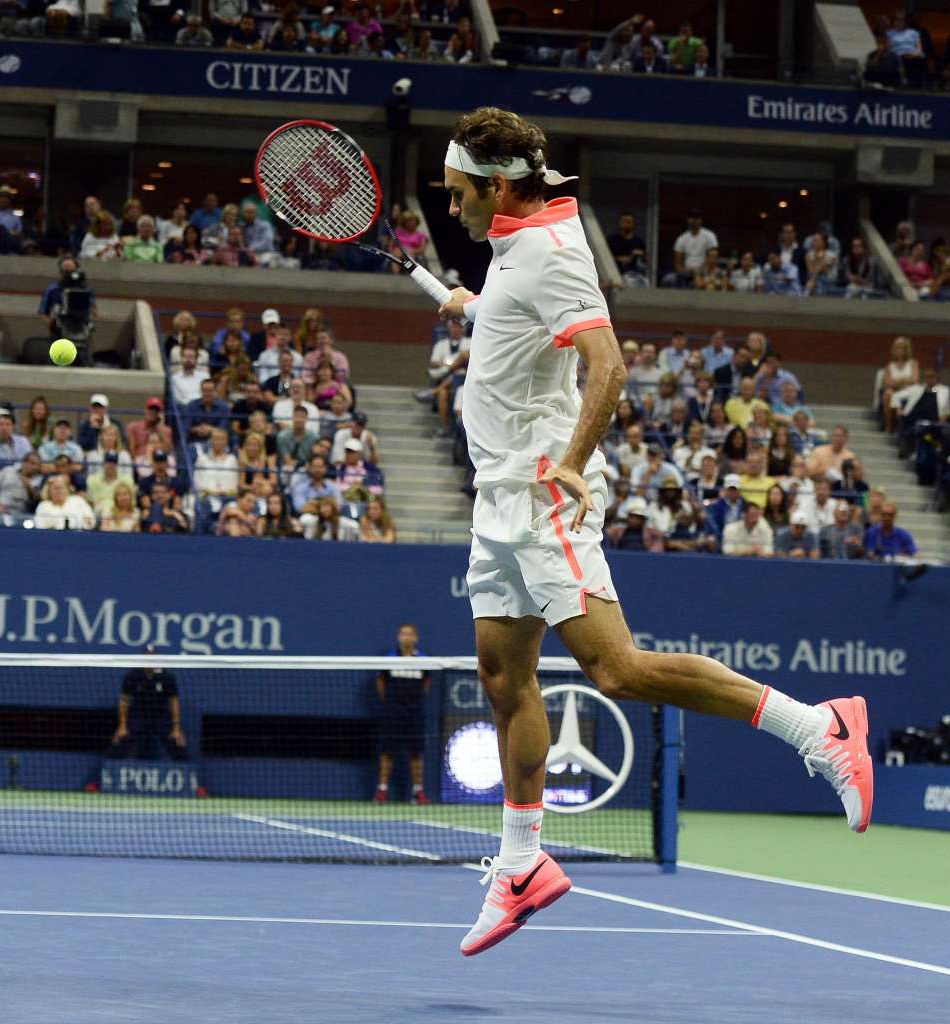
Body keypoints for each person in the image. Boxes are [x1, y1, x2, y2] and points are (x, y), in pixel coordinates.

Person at [435, 108, 872, 957]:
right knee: (503, 674)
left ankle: (820, 729)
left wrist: (573, 460)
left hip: (542, 493)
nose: (451, 209)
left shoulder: (553, 253)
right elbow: (525, 315)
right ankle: (522, 864)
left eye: (459, 194)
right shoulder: (515, 244)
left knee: (616, 669)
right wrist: (478, 307)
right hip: (497, 500)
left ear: (499, 188)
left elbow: (609, 365)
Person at [373, 623, 430, 805]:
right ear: (398, 637)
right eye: (403, 634)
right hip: (392, 712)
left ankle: (418, 791)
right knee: (387, 751)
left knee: (416, 752)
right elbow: (380, 682)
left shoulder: (423, 659)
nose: (406, 637)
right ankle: (382, 790)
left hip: (414, 712)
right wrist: (390, 703)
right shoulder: (389, 658)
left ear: (416, 638)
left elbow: (426, 684)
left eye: (410, 634)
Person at [108, 652, 187, 761]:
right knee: (121, 738)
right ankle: (110, 768)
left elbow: (174, 702)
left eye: (153, 658)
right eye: (148, 658)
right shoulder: (133, 676)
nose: (150, 661)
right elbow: (124, 701)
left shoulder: (166, 676)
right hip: (138, 715)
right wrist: (122, 726)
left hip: (160, 715)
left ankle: (187, 769)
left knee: (177, 740)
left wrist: (176, 728)